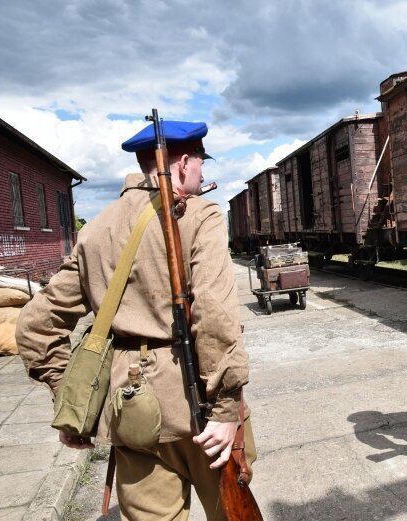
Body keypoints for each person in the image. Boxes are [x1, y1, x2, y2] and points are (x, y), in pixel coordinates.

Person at [16, 120, 256, 520]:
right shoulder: (200, 216)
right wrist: (227, 407)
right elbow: (215, 319)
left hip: (130, 411)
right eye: (200, 163)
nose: (202, 172)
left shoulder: (95, 231)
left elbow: (35, 325)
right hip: (200, 410)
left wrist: (69, 397)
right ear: (182, 164)